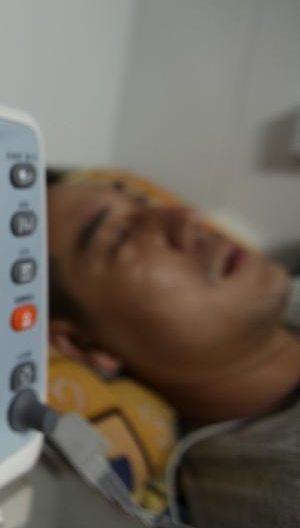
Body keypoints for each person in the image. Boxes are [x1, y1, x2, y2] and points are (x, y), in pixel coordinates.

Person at [46, 173, 300, 528]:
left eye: (143, 204)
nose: (187, 217)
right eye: (120, 237)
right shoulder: (275, 488)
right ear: (81, 343)